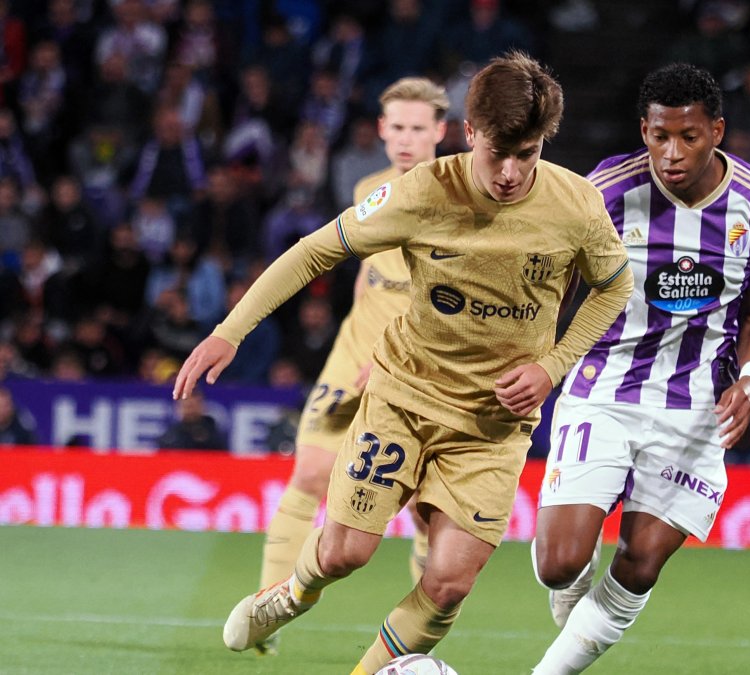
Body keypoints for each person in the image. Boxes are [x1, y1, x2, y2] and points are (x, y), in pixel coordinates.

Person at [172, 52, 633, 674]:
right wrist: (231, 332)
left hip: (492, 427)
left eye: (528, 154)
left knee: (448, 584)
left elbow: (614, 286)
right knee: (343, 555)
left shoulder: (575, 203)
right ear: (470, 132)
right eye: (499, 151)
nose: (510, 172)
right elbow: (314, 253)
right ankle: (288, 595)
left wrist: (553, 367)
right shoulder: (423, 191)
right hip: (404, 401)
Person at [529, 63, 750, 674]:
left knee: (641, 561)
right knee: (559, 564)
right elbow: (560, 289)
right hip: (603, 386)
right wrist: (541, 362)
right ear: (642, 130)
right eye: (658, 136)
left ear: (717, 131)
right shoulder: (607, 192)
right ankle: (573, 583)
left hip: (695, 409)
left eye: (688, 137)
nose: (671, 153)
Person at [254, 77, 449, 649]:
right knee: (310, 473)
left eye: (419, 128)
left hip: (416, 366)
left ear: (440, 131)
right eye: (398, 128)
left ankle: (417, 640)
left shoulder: (453, 200)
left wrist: (391, 360)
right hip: (352, 353)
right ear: (382, 131)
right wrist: (360, 344)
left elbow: (442, 303)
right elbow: (368, 275)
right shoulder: (370, 187)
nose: (407, 140)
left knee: (422, 505)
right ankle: (267, 611)